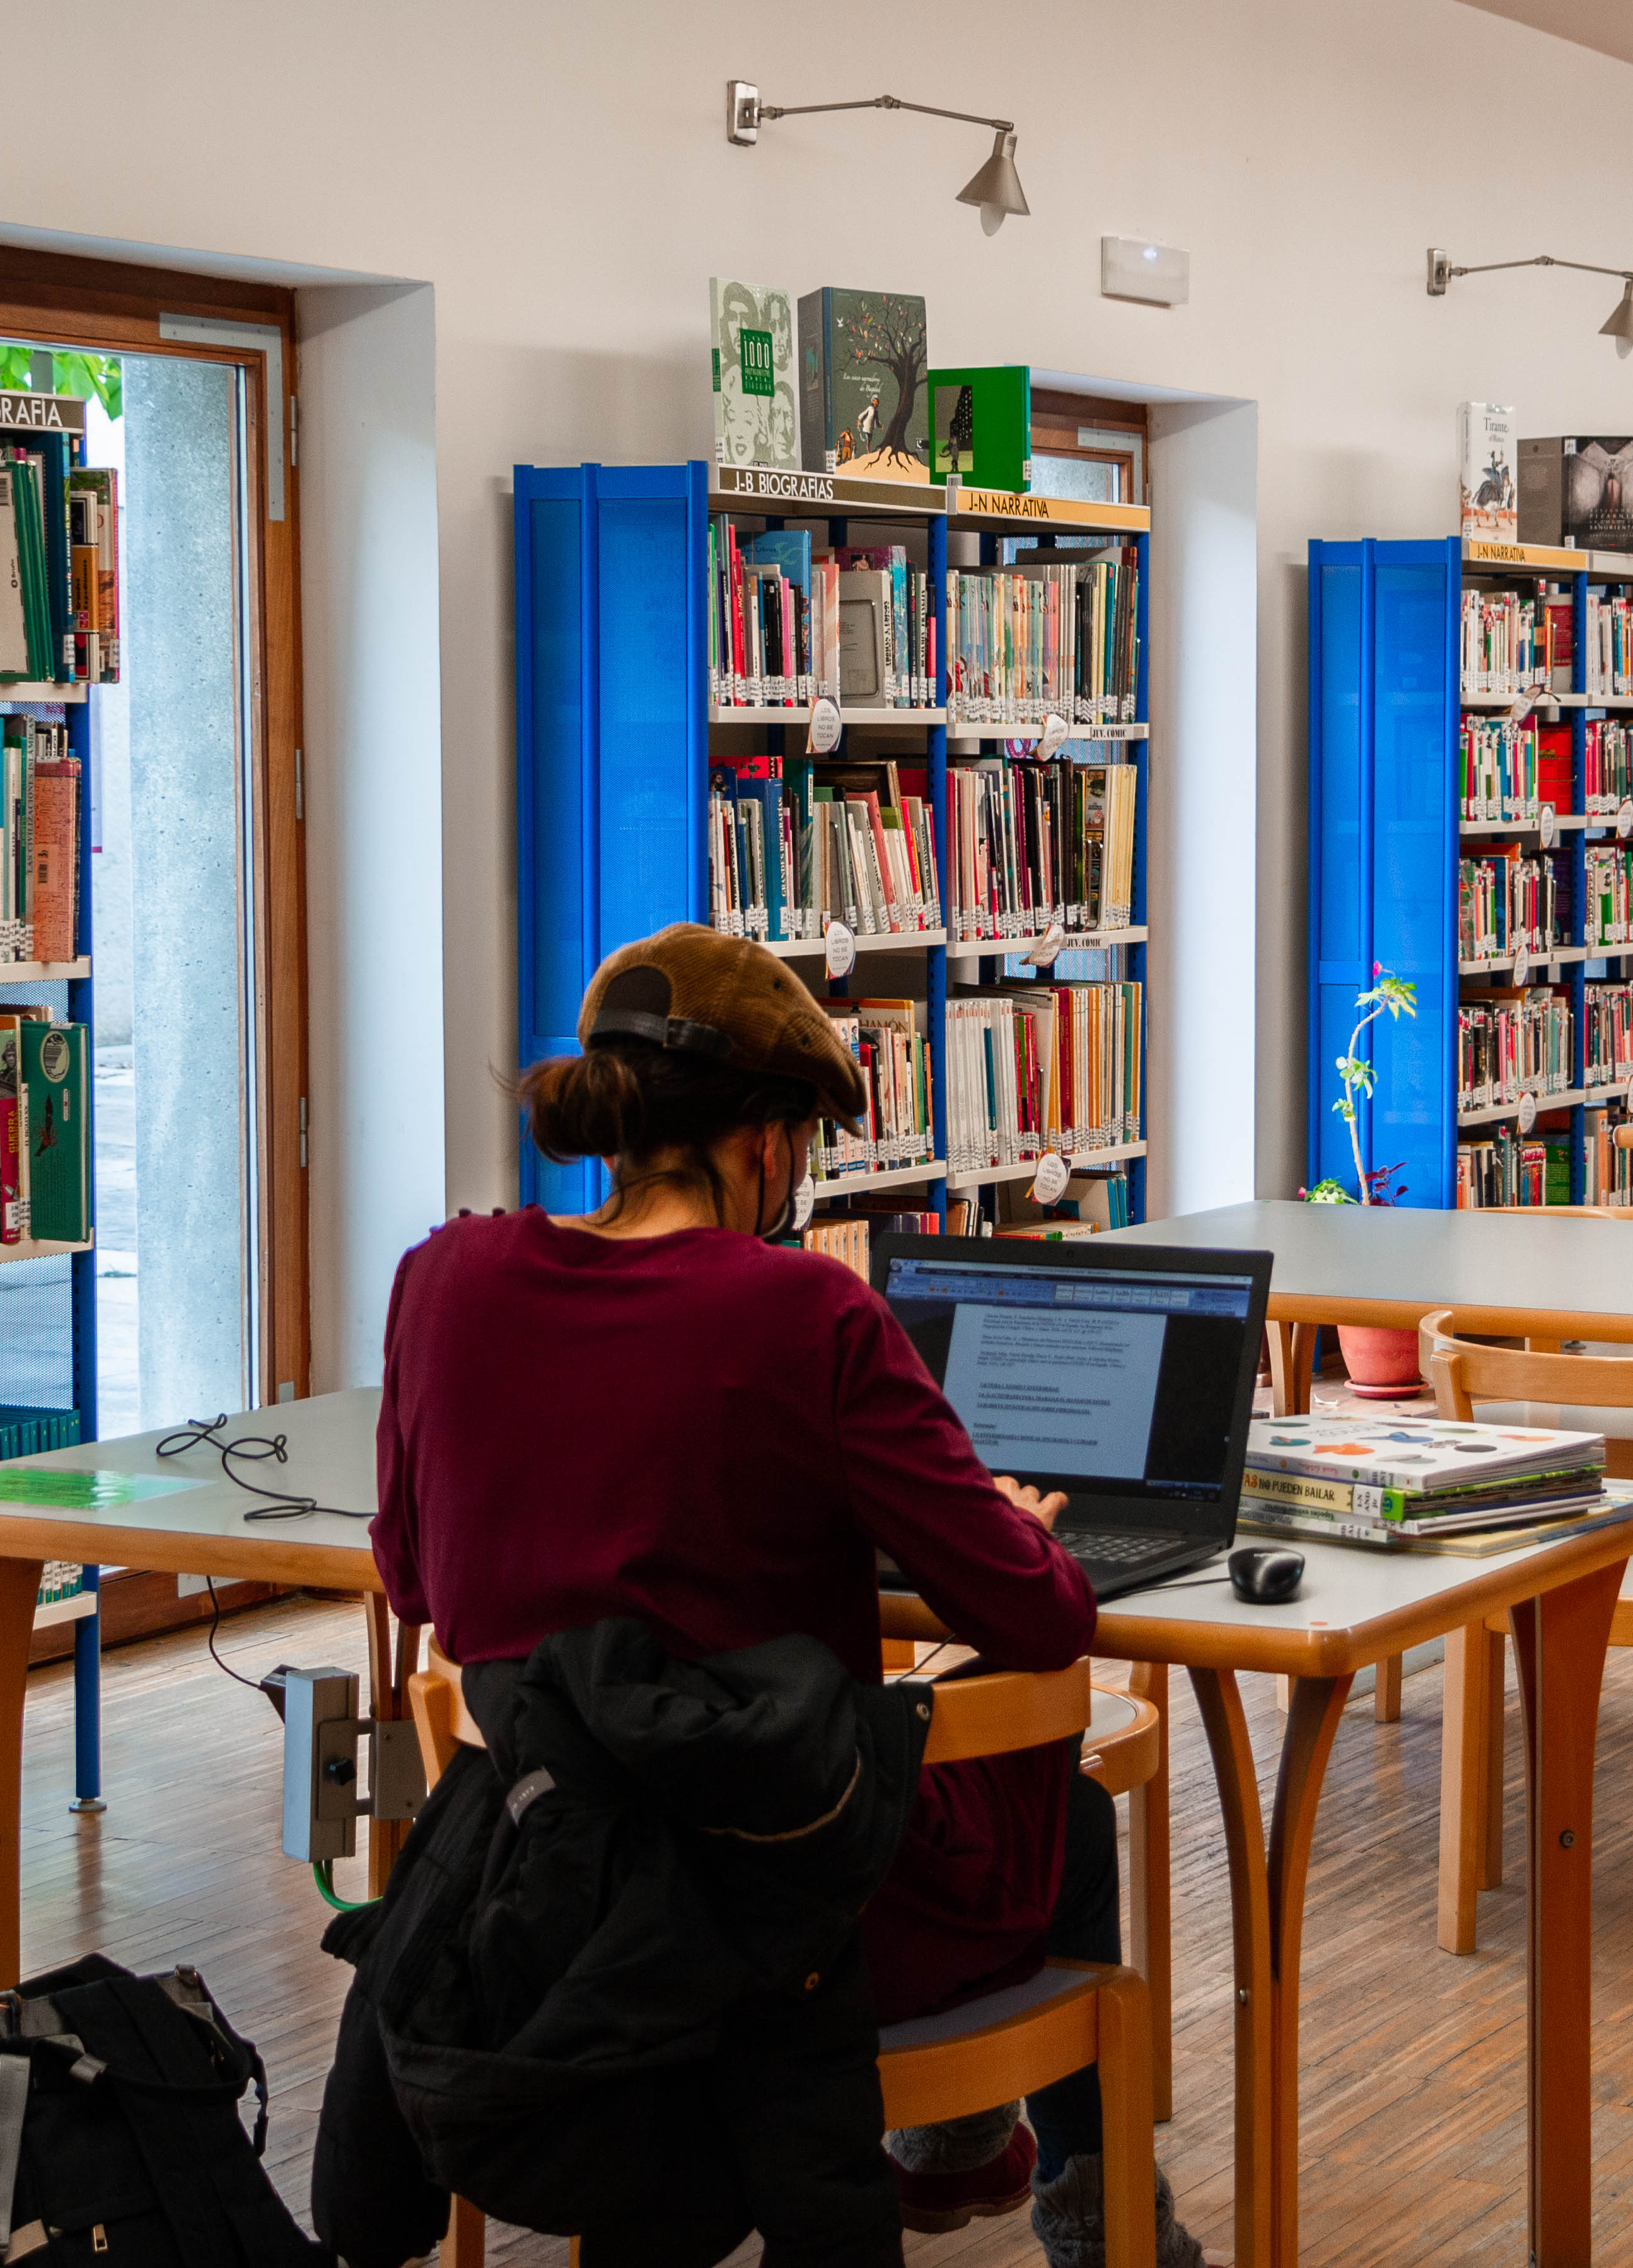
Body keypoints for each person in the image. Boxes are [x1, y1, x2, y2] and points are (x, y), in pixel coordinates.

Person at [361, 925, 1212, 2267]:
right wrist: (1008, 1528)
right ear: (767, 1147)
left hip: (524, 1902)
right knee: (1067, 1813)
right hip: (772, 1914)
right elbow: (1041, 1620)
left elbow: (414, 1578)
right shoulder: (804, 1316)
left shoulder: (441, 1281)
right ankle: (1090, 2224)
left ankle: (957, 2153)